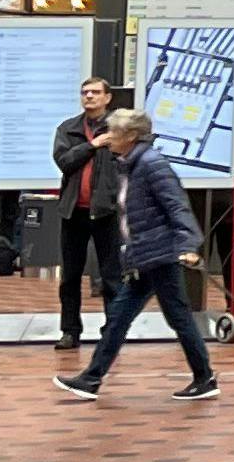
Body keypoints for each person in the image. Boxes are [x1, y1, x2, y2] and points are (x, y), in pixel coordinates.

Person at [54, 111, 218, 402]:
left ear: (130, 136)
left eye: (114, 133)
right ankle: (91, 380)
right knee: (122, 317)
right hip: (145, 254)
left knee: (174, 317)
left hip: (160, 254)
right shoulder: (130, 163)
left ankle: (204, 377)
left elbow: (177, 206)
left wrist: (188, 246)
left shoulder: (152, 165)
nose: (109, 138)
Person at [51, 77, 122, 350]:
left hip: (106, 212)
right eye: (85, 93)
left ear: (107, 97)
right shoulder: (68, 128)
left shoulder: (120, 128)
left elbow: (130, 159)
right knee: (69, 276)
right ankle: (70, 331)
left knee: (111, 276)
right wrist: (93, 145)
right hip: (73, 212)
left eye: (95, 92)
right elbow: (65, 162)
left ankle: (113, 330)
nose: (89, 97)